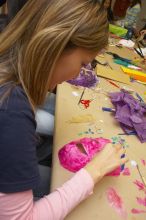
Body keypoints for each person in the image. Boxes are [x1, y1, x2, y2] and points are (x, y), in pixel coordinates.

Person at [0, 0, 128, 219]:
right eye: (82, 63)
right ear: (57, 45)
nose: (76, 75)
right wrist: (93, 172)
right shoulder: (12, 109)